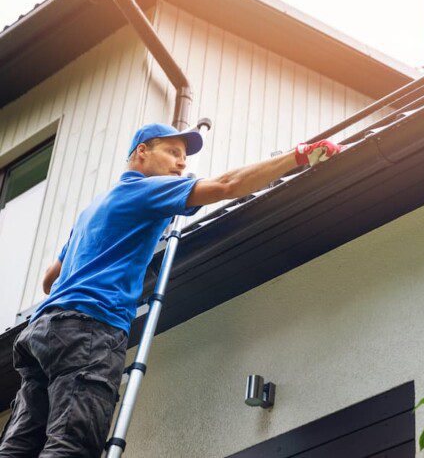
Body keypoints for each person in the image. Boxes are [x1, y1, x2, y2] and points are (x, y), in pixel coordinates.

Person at [0, 122, 342, 457]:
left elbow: (49, 280)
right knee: (71, 443)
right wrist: (299, 155)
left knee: (19, 446)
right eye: (173, 152)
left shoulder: (95, 208)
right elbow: (226, 184)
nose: (181, 163)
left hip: (42, 333)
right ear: (142, 153)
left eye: (185, 158)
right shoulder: (145, 191)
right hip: (89, 331)